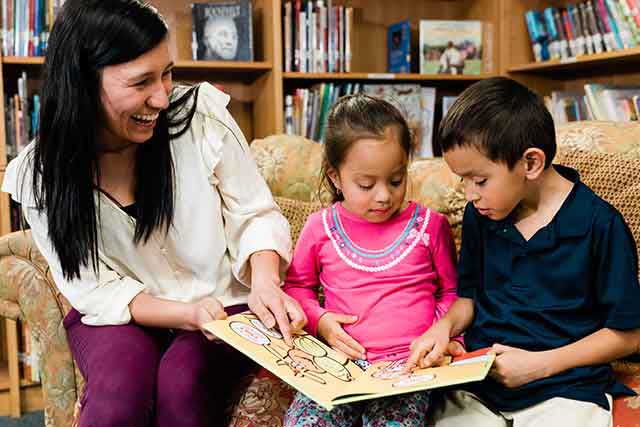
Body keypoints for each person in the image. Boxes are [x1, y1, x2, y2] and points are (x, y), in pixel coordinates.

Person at [1, 1, 306, 426]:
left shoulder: (200, 119)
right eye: (141, 81)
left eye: (167, 73)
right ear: (83, 84)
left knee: (182, 386)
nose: (162, 97)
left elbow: (254, 213)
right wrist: (185, 314)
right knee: (117, 396)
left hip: (223, 302)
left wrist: (267, 281)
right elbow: (94, 290)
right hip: (119, 314)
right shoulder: (39, 175)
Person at [409, 76, 640, 427]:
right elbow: (468, 299)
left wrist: (540, 365)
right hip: (478, 388)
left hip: (566, 389)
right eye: (463, 180)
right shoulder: (481, 213)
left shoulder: (600, 225)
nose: (470, 194)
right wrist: (443, 328)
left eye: (480, 180)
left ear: (530, 164)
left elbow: (629, 334)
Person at [281, 94, 463, 427]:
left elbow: (453, 294)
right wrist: (319, 321)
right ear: (335, 177)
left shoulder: (430, 227)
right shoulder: (319, 228)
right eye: (366, 184)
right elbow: (296, 288)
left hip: (408, 369)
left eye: (395, 180)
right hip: (338, 366)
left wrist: (442, 337)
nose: (383, 195)